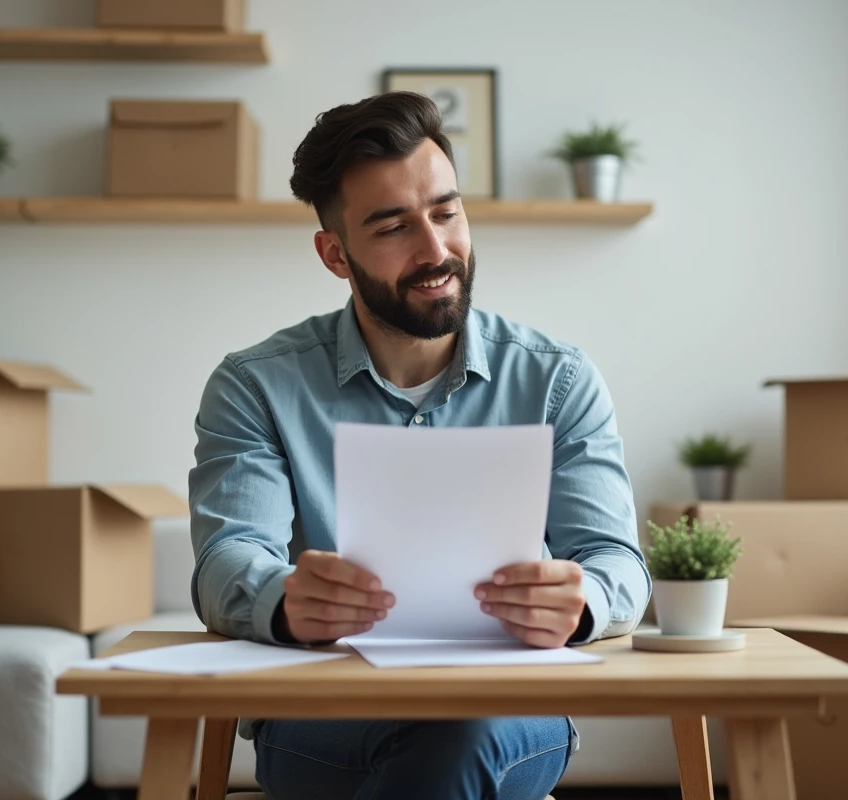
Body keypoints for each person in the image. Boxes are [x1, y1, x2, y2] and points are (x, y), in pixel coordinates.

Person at [188, 91, 652, 800]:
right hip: (323, 715)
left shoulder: (558, 379)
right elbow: (227, 558)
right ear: (335, 255)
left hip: (506, 718)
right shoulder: (256, 386)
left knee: (457, 736)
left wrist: (582, 600)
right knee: (443, 755)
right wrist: (283, 599)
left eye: (446, 211)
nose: (436, 250)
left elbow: (617, 560)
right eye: (393, 227)